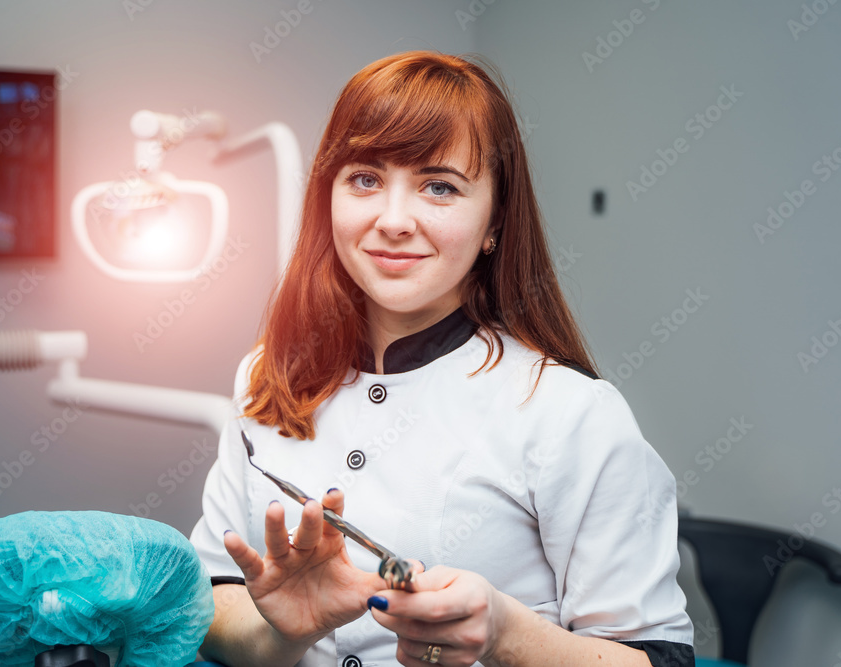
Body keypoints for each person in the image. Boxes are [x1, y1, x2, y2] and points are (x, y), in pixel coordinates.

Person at [189, 51, 695, 666]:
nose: (394, 220)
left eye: (439, 186)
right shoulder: (269, 376)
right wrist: (285, 632)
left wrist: (507, 634)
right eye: (365, 179)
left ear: (494, 222)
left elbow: (657, 658)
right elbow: (213, 600)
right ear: (329, 196)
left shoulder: (569, 413)